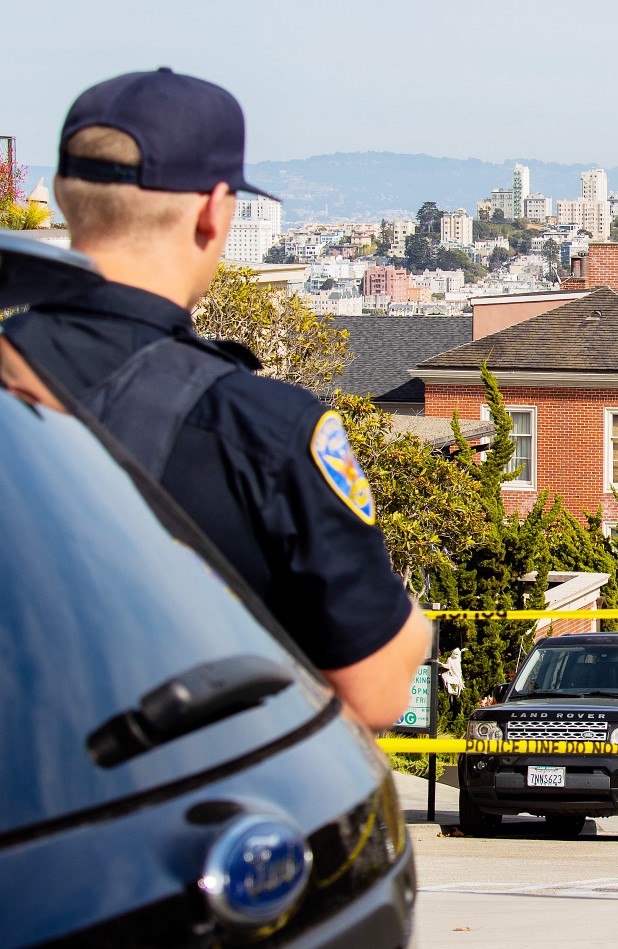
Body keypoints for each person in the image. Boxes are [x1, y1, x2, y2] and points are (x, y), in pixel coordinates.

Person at [0, 69, 427, 730]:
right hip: (144, 811)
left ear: (61, 194)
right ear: (215, 209)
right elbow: (375, 692)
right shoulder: (263, 431)